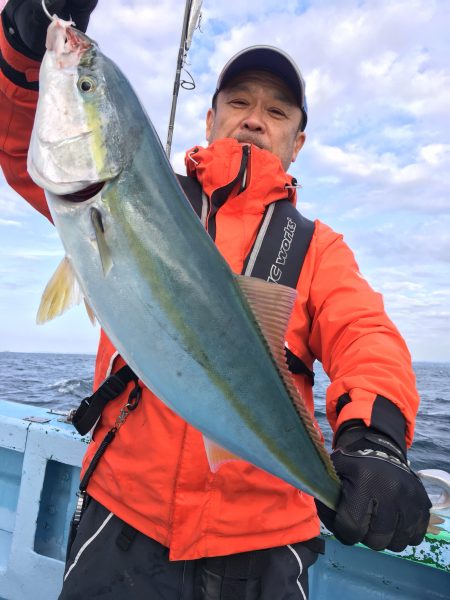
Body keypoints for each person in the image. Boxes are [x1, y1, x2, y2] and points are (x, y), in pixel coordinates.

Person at [0, 1, 431, 599]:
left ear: (298, 140)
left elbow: (366, 336)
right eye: (238, 102)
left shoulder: (316, 249)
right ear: (209, 119)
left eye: (276, 110)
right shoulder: (145, 191)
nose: (255, 117)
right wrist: (20, 50)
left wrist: (375, 438)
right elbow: (28, 143)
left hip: (264, 540)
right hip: (123, 516)